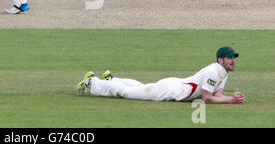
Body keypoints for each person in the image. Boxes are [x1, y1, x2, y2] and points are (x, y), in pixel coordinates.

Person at [77, 46, 245, 104]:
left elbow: (218, 94)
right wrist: (230, 101)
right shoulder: (212, 72)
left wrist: (232, 97)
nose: (233, 61)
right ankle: (92, 82)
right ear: (220, 59)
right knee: (128, 94)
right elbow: (208, 99)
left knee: (140, 87)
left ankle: (112, 80)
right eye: (229, 58)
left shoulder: (223, 72)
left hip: (175, 85)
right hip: (169, 91)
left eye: (234, 58)